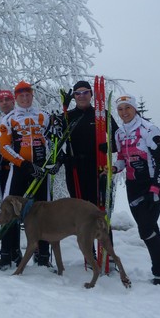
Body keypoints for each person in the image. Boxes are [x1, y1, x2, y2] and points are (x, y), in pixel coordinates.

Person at [112, 94, 160, 287]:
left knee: (146, 229)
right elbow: (122, 159)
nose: (124, 112)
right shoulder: (119, 133)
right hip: (133, 186)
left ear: (135, 108)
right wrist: (113, 169)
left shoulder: (149, 129)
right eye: (120, 109)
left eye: (127, 108)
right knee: (148, 229)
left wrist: (155, 187)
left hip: (152, 185)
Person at [0, 80, 54, 269]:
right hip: (20, 170)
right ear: (16, 98)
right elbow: (4, 147)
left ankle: (43, 255)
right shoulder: (8, 119)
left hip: (41, 170)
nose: (25, 98)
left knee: (43, 212)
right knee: (10, 209)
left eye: (28, 94)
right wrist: (23, 164)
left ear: (32, 96)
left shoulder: (44, 116)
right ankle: (7, 254)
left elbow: (54, 140)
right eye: (21, 95)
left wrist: (54, 161)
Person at [62, 80, 119, 263]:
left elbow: (119, 140)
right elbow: (55, 143)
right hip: (75, 171)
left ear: (91, 95)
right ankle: (89, 253)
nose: (81, 96)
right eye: (77, 93)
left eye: (85, 92)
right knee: (82, 215)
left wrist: (108, 146)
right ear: (74, 97)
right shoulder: (67, 117)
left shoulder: (102, 115)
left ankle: (108, 252)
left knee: (99, 211)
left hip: (97, 170)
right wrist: (65, 158)